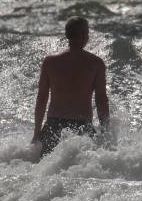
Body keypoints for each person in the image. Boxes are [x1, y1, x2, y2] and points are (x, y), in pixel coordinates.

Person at [32, 15, 110, 156]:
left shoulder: (50, 62)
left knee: (44, 168)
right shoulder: (96, 63)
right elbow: (101, 100)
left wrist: (37, 133)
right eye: (87, 32)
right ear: (82, 35)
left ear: (67, 34)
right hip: (82, 127)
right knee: (83, 173)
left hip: (53, 126)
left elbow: (42, 98)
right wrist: (106, 133)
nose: (88, 36)